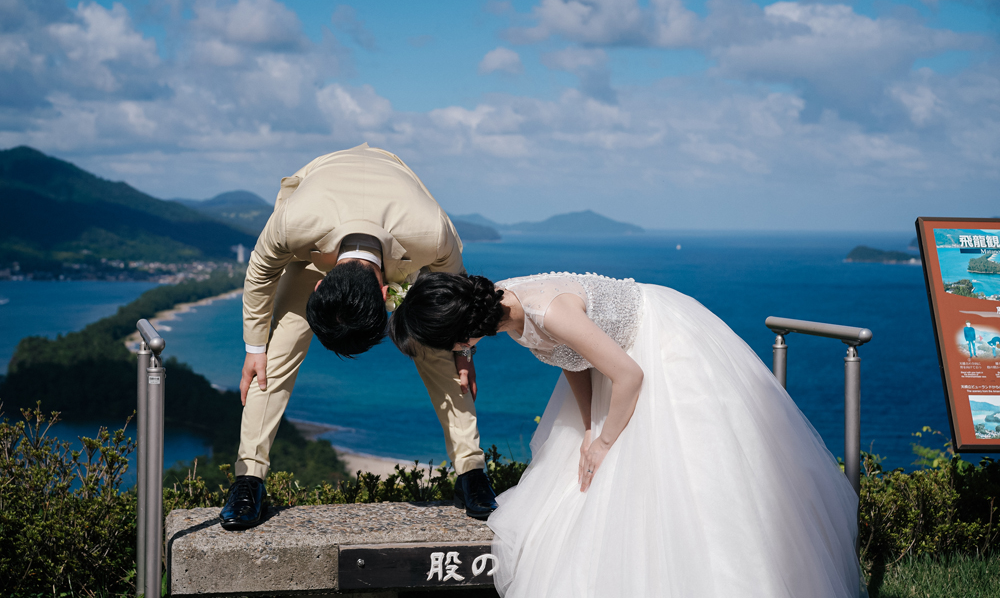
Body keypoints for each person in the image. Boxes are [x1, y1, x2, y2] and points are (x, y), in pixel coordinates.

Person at [389, 272, 864, 598]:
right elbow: (569, 359)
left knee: (689, 475)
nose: (450, 354)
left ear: (462, 333)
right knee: (587, 482)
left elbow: (630, 375)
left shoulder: (546, 311)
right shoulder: (504, 308)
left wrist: (605, 441)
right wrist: (589, 425)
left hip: (658, 348)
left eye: (444, 344)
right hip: (613, 361)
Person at [219, 144, 498, 530]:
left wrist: (464, 351)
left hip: (399, 223)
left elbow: (455, 294)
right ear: (317, 287)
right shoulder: (292, 222)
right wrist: (253, 347)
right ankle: (248, 479)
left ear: (387, 296)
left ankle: (472, 471)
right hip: (320, 219)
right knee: (273, 354)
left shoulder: (431, 233)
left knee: (439, 346)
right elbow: (260, 272)